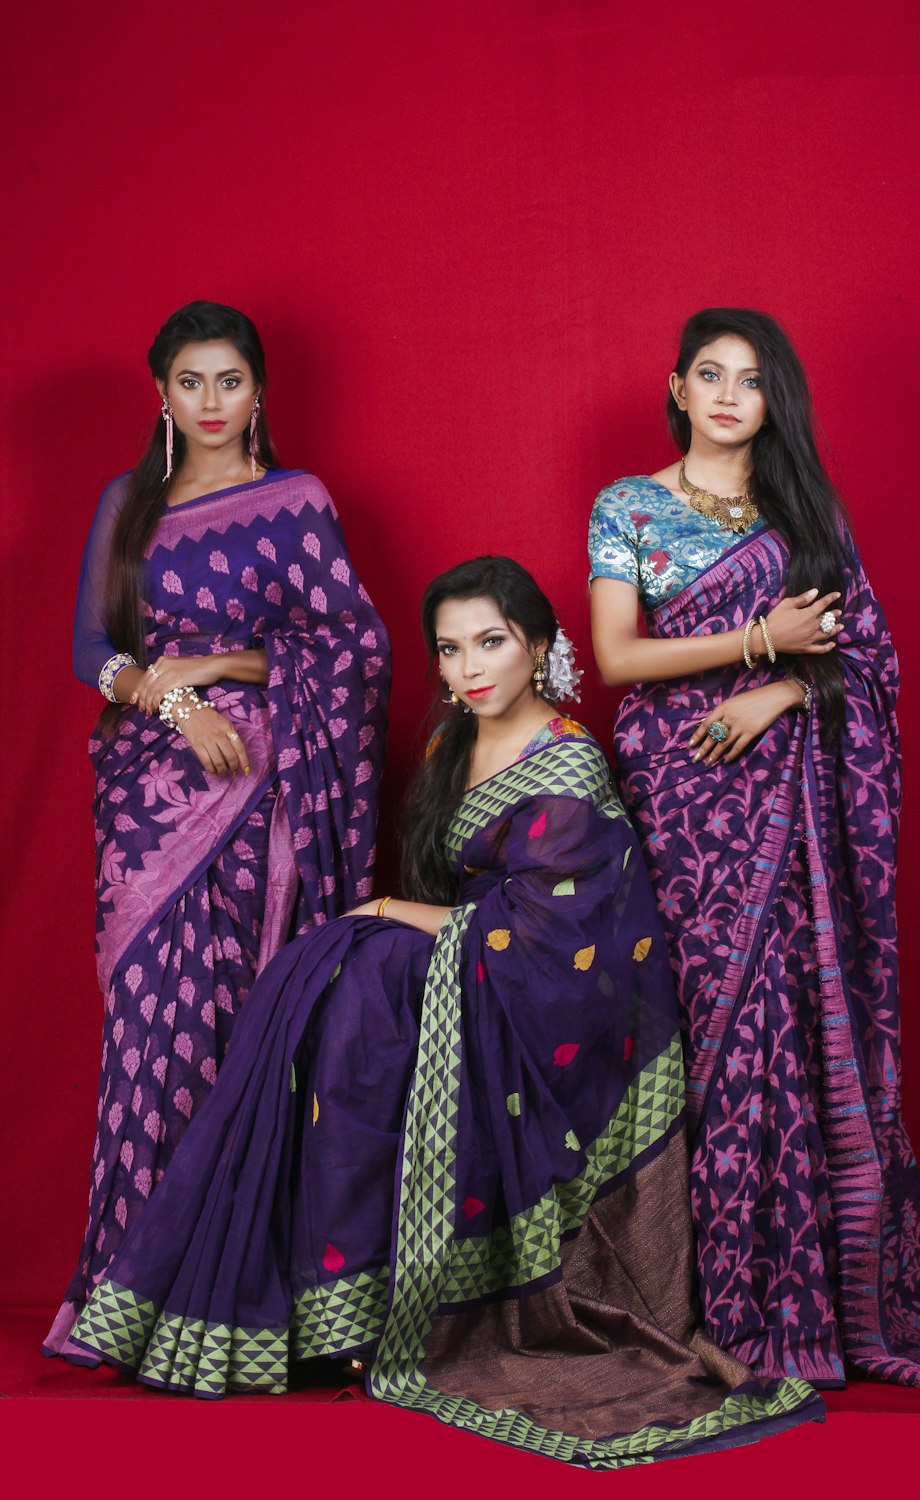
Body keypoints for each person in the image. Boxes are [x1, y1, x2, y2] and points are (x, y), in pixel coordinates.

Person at [68, 557, 822, 1466]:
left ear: (539, 647)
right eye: (452, 649)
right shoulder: (451, 748)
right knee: (332, 982)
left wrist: (389, 913)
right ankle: (324, 1301)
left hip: (554, 1015)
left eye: (493, 643)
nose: (472, 668)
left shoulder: (570, 761)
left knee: (362, 971)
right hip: (472, 974)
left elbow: (552, 937)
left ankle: (367, 1303)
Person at [588, 307, 920, 1390]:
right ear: (675, 386)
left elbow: (866, 664)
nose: (729, 394)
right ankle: (681, 1301)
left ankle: (783, 1304)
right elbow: (619, 658)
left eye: (753, 378)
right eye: (710, 374)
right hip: (677, 792)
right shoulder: (629, 506)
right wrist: (762, 639)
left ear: (776, 400)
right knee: (691, 1023)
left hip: (785, 795)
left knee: (782, 1015)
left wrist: (776, 690)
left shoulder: (803, 513)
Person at [45, 301, 390, 1359]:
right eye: (189, 382)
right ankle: (127, 1298)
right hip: (150, 793)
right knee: (150, 1031)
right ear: (161, 393)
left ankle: (230, 1297)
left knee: (233, 1029)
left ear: (259, 392)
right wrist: (169, 702)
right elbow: (89, 645)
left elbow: (357, 649)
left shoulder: (295, 502)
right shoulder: (128, 503)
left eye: (228, 381)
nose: (209, 403)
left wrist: (226, 670)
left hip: (262, 802)